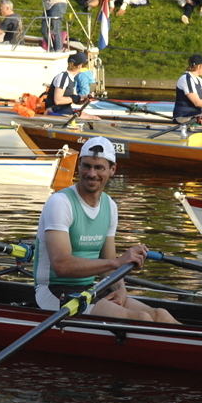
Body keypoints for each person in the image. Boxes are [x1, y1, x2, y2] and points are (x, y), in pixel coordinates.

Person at [33, 136, 178, 323]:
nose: (91, 174)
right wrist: (118, 263)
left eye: (99, 167)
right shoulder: (60, 203)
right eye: (86, 166)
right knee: (140, 319)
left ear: (112, 170)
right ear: (79, 166)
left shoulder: (110, 206)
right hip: (53, 292)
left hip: (89, 289)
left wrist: (120, 290)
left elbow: (109, 265)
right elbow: (62, 266)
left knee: (160, 315)